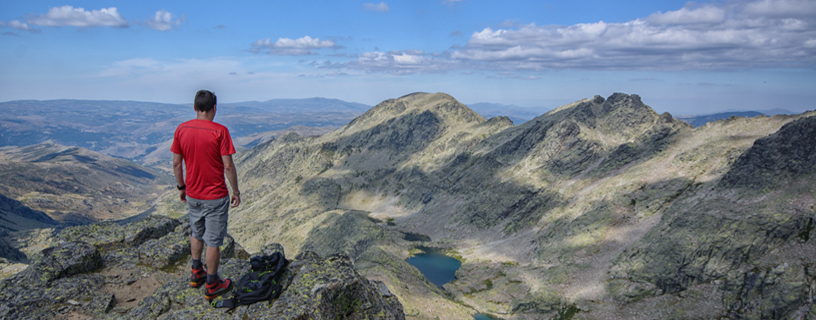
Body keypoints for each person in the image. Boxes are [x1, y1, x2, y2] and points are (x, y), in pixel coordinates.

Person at [171, 90, 241, 301]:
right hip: (215, 196)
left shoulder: (181, 129)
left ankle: (196, 272)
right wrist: (235, 191)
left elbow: (176, 163)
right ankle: (212, 284)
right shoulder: (220, 131)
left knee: (196, 232)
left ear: (195, 108)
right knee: (213, 241)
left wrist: (181, 187)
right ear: (214, 108)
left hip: (193, 194)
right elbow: (228, 166)